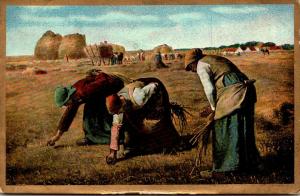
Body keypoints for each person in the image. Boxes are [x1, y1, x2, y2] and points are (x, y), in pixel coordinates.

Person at [184, 48, 262, 177]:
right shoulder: (215, 59)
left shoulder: (201, 65)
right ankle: (249, 164)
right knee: (242, 126)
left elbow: (209, 90)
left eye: (190, 67)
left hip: (234, 92)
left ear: (193, 62)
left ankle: (226, 168)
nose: (191, 70)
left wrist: (214, 109)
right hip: (246, 90)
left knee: (223, 126)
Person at [105, 78, 184, 164]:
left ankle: (175, 144)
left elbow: (155, 86)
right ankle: (137, 146)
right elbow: (116, 128)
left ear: (121, 104)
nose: (117, 114)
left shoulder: (138, 97)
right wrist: (112, 153)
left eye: (117, 112)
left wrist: (157, 107)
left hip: (155, 90)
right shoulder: (119, 107)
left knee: (157, 123)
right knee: (132, 124)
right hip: (138, 101)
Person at [47, 70, 131, 146]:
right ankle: (93, 138)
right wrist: (57, 136)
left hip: (113, 85)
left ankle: (119, 137)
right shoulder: (74, 96)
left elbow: (103, 81)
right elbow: (68, 114)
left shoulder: (84, 91)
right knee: (89, 114)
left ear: (68, 98)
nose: (65, 105)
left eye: (65, 103)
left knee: (95, 114)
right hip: (97, 94)